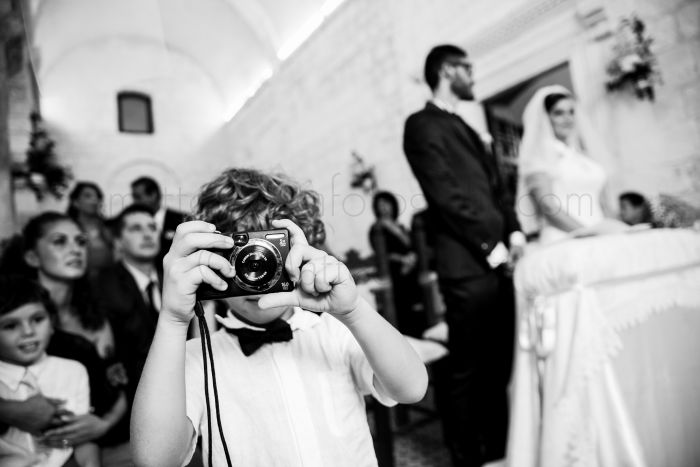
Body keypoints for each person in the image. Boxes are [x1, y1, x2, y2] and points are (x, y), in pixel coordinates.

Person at [131, 167, 428, 466]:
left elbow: (412, 388)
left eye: (268, 254)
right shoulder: (196, 358)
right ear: (212, 259)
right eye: (240, 257)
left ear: (297, 251)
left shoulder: (335, 331)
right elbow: (154, 460)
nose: (255, 273)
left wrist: (353, 311)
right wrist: (172, 320)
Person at [403, 44, 523, 467]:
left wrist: (515, 232)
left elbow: (497, 189)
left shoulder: (468, 127)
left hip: (502, 262)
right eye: (467, 68)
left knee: (500, 365)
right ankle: (466, 457)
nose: (473, 76)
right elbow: (447, 196)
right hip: (468, 266)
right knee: (468, 369)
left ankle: (500, 451)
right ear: (447, 70)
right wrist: (491, 247)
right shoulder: (421, 125)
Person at [19, 212, 129, 455]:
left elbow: (119, 386)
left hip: (108, 443)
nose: (75, 250)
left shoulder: (96, 316)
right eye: (60, 241)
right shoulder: (12, 316)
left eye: (80, 242)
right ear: (32, 256)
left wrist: (103, 424)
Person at [0, 275, 99, 467]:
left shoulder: (73, 371)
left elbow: (81, 440)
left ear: (53, 323)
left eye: (37, 319)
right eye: (10, 326)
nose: (28, 332)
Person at [516, 85, 629, 243]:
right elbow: (548, 206)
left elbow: (603, 203)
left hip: (600, 233)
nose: (568, 119)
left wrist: (617, 230)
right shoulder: (537, 157)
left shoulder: (584, 157)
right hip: (566, 237)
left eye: (571, 112)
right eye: (558, 113)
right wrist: (589, 234)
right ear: (545, 118)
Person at [369, 191, 426, 337]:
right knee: (404, 310)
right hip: (395, 274)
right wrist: (402, 260)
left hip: (412, 270)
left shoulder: (400, 226)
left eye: (387, 204)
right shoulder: (377, 229)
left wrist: (412, 256)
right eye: (380, 205)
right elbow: (381, 254)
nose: (384, 208)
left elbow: (413, 245)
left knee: (419, 306)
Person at [130, 176, 186, 266]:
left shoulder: (181, 220)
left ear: (153, 195)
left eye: (138, 197)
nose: (135, 202)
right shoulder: (131, 224)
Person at [67, 182, 114, 277]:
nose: (94, 200)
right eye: (88, 196)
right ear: (75, 202)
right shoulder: (68, 229)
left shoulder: (109, 227)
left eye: (98, 197)